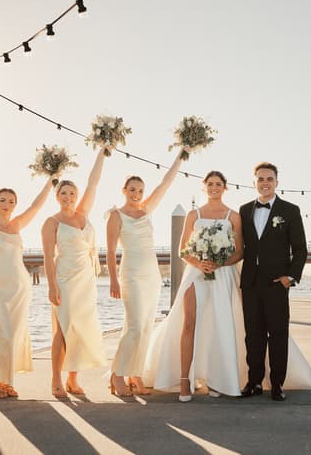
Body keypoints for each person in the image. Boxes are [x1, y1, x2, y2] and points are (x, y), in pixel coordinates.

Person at [143, 171, 245, 400]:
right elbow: (182, 250)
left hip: (222, 275)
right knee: (188, 324)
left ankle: (217, 380)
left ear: (225, 187)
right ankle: (184, 380)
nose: (214, 187)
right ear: (204, 187)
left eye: (219, 184)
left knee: (219, 326)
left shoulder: (234, 216)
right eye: (210, 184)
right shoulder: (193, 215)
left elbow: (239, 252)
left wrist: (219, 262)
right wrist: (200, 263)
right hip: (195, 274)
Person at [105, 148, 188, 397]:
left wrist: (181, 156)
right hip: (130, 273)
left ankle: (135, 373)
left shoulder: (147, 209)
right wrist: (112, 279)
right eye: (132, 190)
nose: (137, 194)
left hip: (152, 275)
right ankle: (117, 375)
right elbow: (110, 251)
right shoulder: (115, 215)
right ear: (124, 190)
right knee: (134, 326)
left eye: (140, 190)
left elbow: (166, 183)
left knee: (145, 326)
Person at [0, 176, 56, 399]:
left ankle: (6, 380)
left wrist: (50, 182)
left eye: (11, 201)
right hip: (0, 290)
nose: (7, 204)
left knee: (16, 335)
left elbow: (36, 205)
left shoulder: (17, 225)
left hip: (21, 288)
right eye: (3, 200)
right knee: (5, 334)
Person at [238, 162, 311, 402]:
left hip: (276, 284)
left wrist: (289, 278)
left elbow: (300, 249)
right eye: (260, 179)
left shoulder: (290, 210)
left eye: (269, 179)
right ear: (254, 182)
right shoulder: (244, 210)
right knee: (253, 335)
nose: (265, 183)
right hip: (250, 283)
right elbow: (241, 247)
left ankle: (277, 384)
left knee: (278, 334)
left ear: (277, 182)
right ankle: (255, 381)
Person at [41, 147, 110, 398]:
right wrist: (51, 286)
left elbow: (94, 182)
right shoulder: (52, 223)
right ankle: (55, 379)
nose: (68, 196)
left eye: (72, 193)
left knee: (80, 328)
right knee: (62, 328)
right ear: (57, 196)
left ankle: (73, 379)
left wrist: (102, 152)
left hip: (86, 279)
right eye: (63, 193)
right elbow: (48, 257)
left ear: (76, 196)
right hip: (65, 279)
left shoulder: (83, 215)